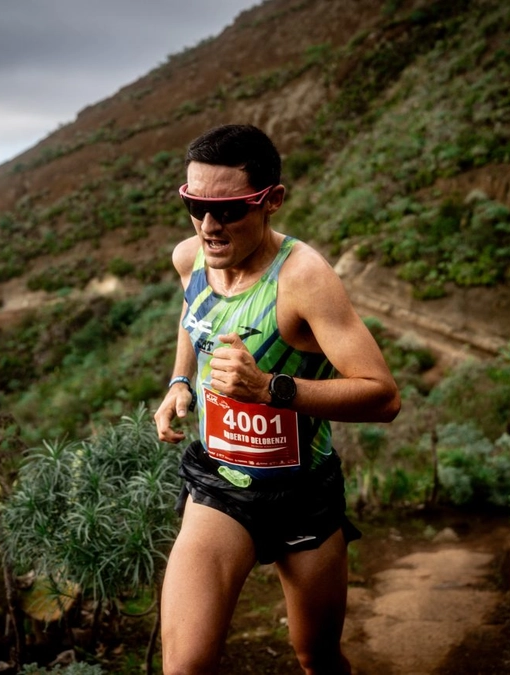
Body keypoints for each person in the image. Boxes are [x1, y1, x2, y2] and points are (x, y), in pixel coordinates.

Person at [154, 124, 401, 675]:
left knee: (316, 657)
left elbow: (383, 397)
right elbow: (193, 314)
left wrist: (270, 389)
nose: (208, 226)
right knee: (185, 666)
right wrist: (179, 381)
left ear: (272, 200)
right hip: (220, 482)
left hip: (303, 492)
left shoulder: (304, 279)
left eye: (228, 209)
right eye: (194, 205)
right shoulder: (190, 258)